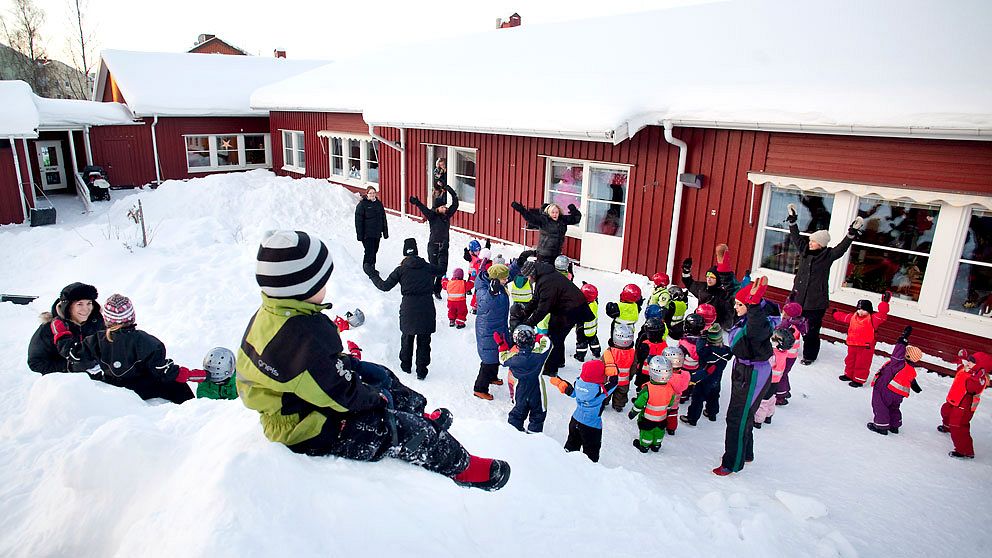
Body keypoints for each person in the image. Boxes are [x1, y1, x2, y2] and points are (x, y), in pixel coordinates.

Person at [239, 229, 510, 490]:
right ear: (301, 286)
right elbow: (339, 394)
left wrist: (355, 370)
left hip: (306, 395)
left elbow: (314, 371)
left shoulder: (279, 313)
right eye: (322, 281)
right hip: (305, 424)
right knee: (402, 430)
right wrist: (375, 399)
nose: (326, 286)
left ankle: (418, 413)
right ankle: (462, 467)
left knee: (381, 375)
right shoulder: (297, 338)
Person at [73, 294, 205, 403]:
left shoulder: (95, 340)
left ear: (106, 319)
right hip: (142, 389)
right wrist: (187, 374)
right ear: (131, 316)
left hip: (112, 387)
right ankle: (191, 412)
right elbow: (162, 370)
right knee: (178, 386)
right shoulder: (146, 341)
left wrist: (61, 337)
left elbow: (77, 358)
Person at [786, 203, 864, 365]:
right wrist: (793, 221)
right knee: (790, 326)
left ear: (820, 244)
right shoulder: (805, 251)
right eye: (810, 240)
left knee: (811, 332)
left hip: (815, 302)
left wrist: (851, 234)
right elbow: (795, 237)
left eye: (813, 241)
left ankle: (809, 356)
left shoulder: (827, 255)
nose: (810, 242)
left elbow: (841, 249)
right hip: (797, 298)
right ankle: (786, 347)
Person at [714, 277, 773, 476]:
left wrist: (754, 304)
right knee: (744, 414)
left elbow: (756, 329)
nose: (736, 307)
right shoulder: (748, 317)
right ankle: (746, 452)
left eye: (740, 304)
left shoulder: (758, 322)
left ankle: (732, 462)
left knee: (737, 417)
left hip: (752, 373)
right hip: (744, 371)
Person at [367, 238, 441, 380]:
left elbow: (384, 286)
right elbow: (441, 270)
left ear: (404, 252)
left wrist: (372, 274)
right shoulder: (427, 267)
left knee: (407, 338)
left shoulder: (401, 270)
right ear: (417, 251)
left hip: (408, 308)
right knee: (424, 340)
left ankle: (405, 366)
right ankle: (421, 370)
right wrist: (442, 253)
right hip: (426, 308)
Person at [520, 258, 593, 376]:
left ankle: (550, 369)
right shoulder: (542, 277)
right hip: (563, 308)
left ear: (532, 274)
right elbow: (536, 299)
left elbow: (543, 309)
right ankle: (559, 361)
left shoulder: (547, 282)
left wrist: (528, 324)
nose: (528, 279)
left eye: (528, 277)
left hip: (571, 310)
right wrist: (525, 313)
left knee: (555, 338)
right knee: (556, 334)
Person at [28, 282, 105, 374]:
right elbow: (35, 363)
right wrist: (68, 367)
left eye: (89, 303)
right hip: (64, 383)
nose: (86, 309)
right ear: (68, 306)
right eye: (80, 304)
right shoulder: (49, 328)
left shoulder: (97, 322)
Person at [550, 360, 619, 463]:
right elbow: (614, 383)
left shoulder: (578, 383)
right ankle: (590, 468)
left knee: (572, 443)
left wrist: (562, 384)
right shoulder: (600, 390)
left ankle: (566, 461)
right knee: (591, 450)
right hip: (591, 426)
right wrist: (612, 368)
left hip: (575, 420)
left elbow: (572, 393)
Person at [866, 327, 922, 435]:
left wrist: (903, 340)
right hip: (898, 394)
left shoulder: (898, 363)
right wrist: (915, 386)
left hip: (885, 389)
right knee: (894, 407)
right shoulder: (910, 369)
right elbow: (910, 379)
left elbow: (897, 353)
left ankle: (881, 426)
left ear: (906, 355)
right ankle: (894, 425)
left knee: (880, 405)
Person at [497, 325, 552, 433]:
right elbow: (547, 342)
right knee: (538, 413)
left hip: (520, 388)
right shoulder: (539, 354)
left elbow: (502, 359)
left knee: (518, 412)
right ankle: (534, 436)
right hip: (537, 388)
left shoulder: (513, 358)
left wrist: (502, 345)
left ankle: (514, 434)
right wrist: (536, 336)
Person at [629, 356, 688, 453]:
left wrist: (633, 412)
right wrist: (667, 411)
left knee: (646, 432)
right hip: (662, 417)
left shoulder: (647, 389)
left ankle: (644, 446)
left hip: (648, 418)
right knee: (659, 431)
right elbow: (670, 403)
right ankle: (656, 445)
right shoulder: (670, 388)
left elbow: (639, 404)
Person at [939, 350, 991, 459]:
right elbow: (959, 369)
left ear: (981, 367)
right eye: (969, 360)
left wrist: (976, 378)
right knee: (945, 411)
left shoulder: (981, 379)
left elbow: (972, 389)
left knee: (958, 425)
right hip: (953, 400)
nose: (968, 363)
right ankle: (947, 426)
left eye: (972, 362)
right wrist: (960, 358)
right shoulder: (965, 369)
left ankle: (965, 451)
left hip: (965, 405)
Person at [833, 292, 891, 387]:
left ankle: (859, 379)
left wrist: (884, 303)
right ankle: (849, 374)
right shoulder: (853, 317)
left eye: (864, 310)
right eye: (859, 309)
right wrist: (835, 314)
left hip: (865, 347)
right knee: (850, 360)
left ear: (869, 310)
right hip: (852, 344)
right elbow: (843, 317)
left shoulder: (873, 319)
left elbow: (882, 315)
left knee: (862, 363)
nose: (860, 312)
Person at [410, 185, 459, 298]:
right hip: (433, 246)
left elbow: (455, 204)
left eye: (445, 206)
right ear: (437, 208)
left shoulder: (447, 215)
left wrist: (451, 192)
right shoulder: (433, 216)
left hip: (444, 246)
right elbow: (424, 209)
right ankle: (428, 288)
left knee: (442, 270)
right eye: (442, 207)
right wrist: (417, 202)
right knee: (432, 268)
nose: (445, 208)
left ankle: (437, 290)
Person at [473, 263, 511, 399]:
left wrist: (518, 264)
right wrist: (492, 293)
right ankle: (480, 388)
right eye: (504, 279)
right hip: (488, 329)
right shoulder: (484, 289)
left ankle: (492, 377)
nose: (507, 281)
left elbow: (508, 274)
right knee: (488, 360)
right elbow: (484, 302)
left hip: (498, 326)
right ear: (495, 279)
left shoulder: (497, 283)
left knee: (496, 354)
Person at [510, 200, 582, 263]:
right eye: (552, 212)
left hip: (556, 253)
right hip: (544, 254)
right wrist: (521, 210)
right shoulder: (544, 220)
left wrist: (573, 210)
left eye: (556, 212)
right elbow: (531, 218)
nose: (555, 214)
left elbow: (576, 219)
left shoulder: (562, 220)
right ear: (548, 212)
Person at [753, 327, 797, 428]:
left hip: (767, 380)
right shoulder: (783, 353)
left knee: (763, 400)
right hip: (776, 381)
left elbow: (766, 364)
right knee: (771, 398)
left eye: (774, 338)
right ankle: (769, 415)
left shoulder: (773, 354)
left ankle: (758, 420)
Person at [775, 302, 807, 404]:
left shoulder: (791, 326)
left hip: (786, 355)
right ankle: (785, 390)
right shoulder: (796, 322)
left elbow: (780, 333)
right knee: (784, 373)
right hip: (790, 355)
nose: (783, 314)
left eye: (785, 313)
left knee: (781, 374)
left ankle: (780, 396)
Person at [603, 323, 637, 412]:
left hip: (609, 380)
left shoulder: (609, 351)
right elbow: (634, 367)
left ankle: (604, 402)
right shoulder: (632, 353)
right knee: (621, 394)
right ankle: (618, 405)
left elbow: (602, 365)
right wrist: (630, 377)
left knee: (607, 392)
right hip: (624, 381)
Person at [355, 187, 388, 271]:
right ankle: (367, 269)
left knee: (374, 251)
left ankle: (372, 267)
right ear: (367, 194)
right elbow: (358, 221)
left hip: (376, 233)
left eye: (374, 193)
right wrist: (360, 235)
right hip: (367, 234)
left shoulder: (378, 204)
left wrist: (385, 232)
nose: (372, 195)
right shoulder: (362, 205)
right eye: (370, 193)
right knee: (369, 252)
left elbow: (383, 218)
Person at [573, 283, 601, 362]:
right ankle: (597, 352)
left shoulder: (584, 307)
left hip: (583, 329)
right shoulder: (594, 303)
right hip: (593, 328)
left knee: (582, 343)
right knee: (594, 340)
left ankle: (580, 356)